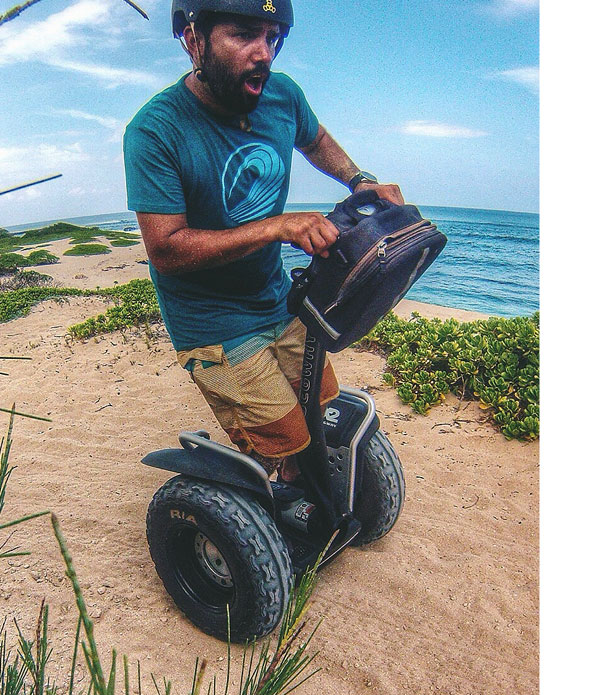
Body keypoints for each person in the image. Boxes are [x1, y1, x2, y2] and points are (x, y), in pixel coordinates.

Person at [123, 0, 405, 482]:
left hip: (277, 298)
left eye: (273, 38)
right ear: (193, 39)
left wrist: (358, 180)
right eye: (244, 34)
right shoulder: (154, 131)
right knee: (285, 448)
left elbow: (313, 139)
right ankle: (271, 518)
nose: (264, 53)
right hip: (213, 323)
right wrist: (276, 227)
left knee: (320, 407)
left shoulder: (282, 95)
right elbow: (166, 250)